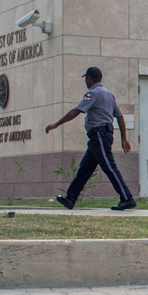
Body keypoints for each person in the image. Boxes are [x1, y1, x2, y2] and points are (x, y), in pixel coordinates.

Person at [45, 67, 136, 211]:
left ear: (89, 79)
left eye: (86, 79)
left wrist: (56, 124)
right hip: (101, 136)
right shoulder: (109, 94)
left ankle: (127, 198)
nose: (86, 82)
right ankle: (70, 199)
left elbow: (77, 111)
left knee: (109, 167)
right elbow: (119, 116)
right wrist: (123, 138)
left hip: (99, 135)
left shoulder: (93, 93)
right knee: (85, 169)